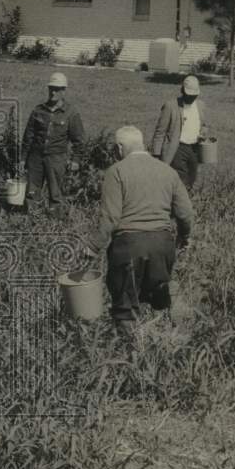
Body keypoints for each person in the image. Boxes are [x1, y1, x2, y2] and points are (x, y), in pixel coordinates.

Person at [83, 125, 194, 337]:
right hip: (163, 244)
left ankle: (128, 354)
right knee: (155, 300)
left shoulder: (116, 172)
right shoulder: (167, 171)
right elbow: (186, 213)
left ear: (119, 148)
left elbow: (110, 218)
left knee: (125, 308)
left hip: (129, 247)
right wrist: (184, 238)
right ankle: (163, 345)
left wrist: (92, 247)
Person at [20, 72, 85, 213]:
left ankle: (54, 222)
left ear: (63, 91)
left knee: (56, 193)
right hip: (35, 157)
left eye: (57, 89)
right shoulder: (38, 110)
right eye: (51, 88)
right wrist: (22, 159)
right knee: (32, 192)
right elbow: (28, 136)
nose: (53, 92)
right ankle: (31, 220)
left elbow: (79, 140)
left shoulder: (71, 113)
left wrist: (76, 159)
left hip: (56, 158)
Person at [151, 74, 208, 190]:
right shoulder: (171, 106)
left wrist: (203, 133)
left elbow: (204, 125)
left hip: (194, 149)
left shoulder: (201, 106)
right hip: (177, 148)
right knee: (180, 180)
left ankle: (188, 202)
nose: (191, 98)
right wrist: (156, 154)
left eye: (194, 95)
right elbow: (160, 131)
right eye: (189, 95)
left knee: (192, 178)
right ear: (183, 91)